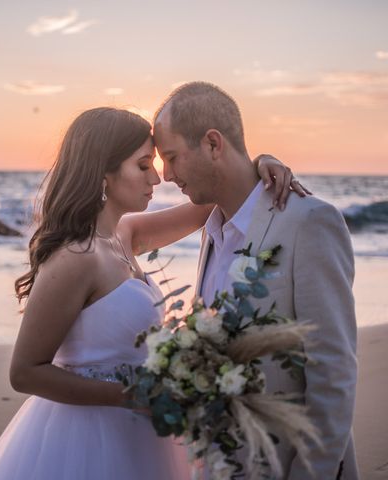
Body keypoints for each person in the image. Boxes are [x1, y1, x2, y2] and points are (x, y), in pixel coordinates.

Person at [0, 106, 305, 479]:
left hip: (141, 434)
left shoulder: (124, 236)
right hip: (87, 439)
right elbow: (25, 373)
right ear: (104, 174)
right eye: (143, 165)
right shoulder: (75, 258)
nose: (157, 178)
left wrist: (258, 163)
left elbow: (212, 199)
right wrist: (132, 397)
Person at [153, 82, 359, 480]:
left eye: (172, 157)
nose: (165, 175)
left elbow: (333, 370)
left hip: (289, 463)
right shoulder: (211, 230)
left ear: (213, 144)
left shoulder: (309, 222)